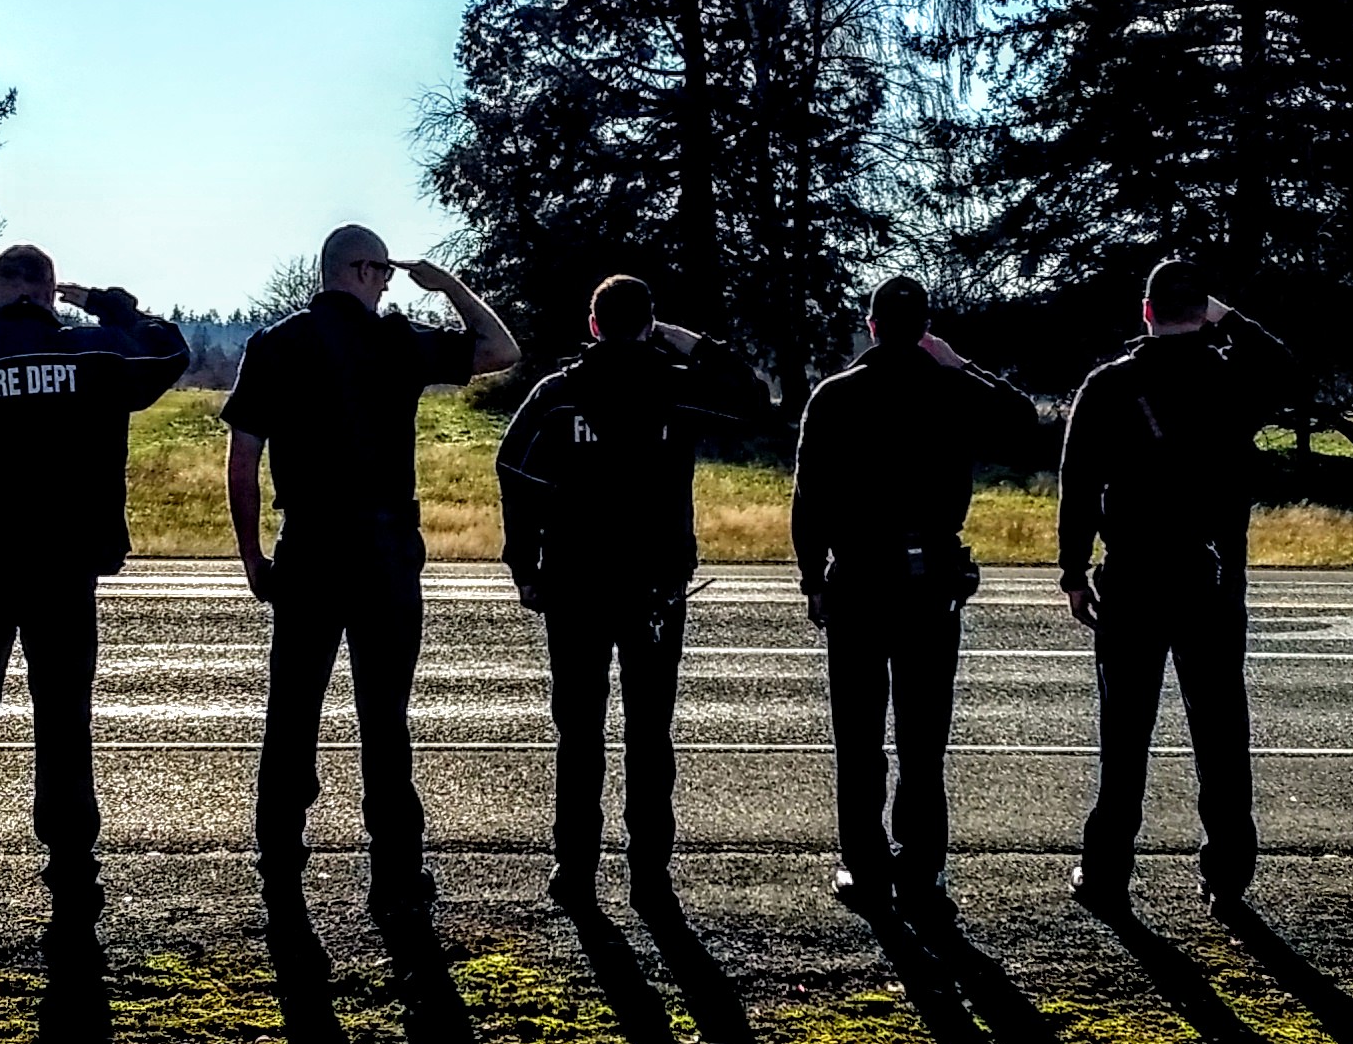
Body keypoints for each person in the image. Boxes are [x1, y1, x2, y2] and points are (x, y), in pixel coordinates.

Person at [0, 243, 191, 917]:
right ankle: (73, 871)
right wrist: (109, 304)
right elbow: (170, 352)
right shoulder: (98, 352)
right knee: (64, 725)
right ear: (50, 292)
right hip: (66, 571)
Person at [224, 224, 519, 920]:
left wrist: (252, 556)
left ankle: (280, 856)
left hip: (311, 542)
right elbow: (501, 349)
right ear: (359, 270)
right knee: (383, 714)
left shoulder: (276, 344)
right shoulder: (398, 342)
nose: (387, 282)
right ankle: (394, 868)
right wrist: (445, 284)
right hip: (384, 546)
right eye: (381, 271)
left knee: (292, 707)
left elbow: (243, 461)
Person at [494, 274, 770, 903]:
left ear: (592, 325)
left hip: (574, 583)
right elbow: (756, 402)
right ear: (649, 323)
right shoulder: (676, 387)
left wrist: (525, 564)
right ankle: (649, 871)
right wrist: (691, 343)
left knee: (580, 731)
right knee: (649, 733)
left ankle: (576, 871)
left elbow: (513, 467)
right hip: (655, 586)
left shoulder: (560, 394)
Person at [791, 275, 1043, 921]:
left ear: (871, 325)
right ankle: (922, 872)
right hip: (929, 576)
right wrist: (964, 366)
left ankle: (867, 867)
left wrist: (812, 579)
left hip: (857, 576)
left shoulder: (835, 396)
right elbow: (1025, 422)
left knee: (858, 735)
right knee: (923, 737)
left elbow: (808, 498)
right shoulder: (950, 390)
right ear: (925, 329)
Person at [1055, 254, 1293, 918]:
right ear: (1202, 314)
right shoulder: (1230, 378)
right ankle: (1227, 873)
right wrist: (1227, 318)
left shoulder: (1108, 386)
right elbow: (1284, 366)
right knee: (1220, 729)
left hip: (1131, 573)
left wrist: (1074, 570)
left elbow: (1077, 487)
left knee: (1124, 733)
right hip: (1212, 574)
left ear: (1146, 312)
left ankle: (1106, 872)